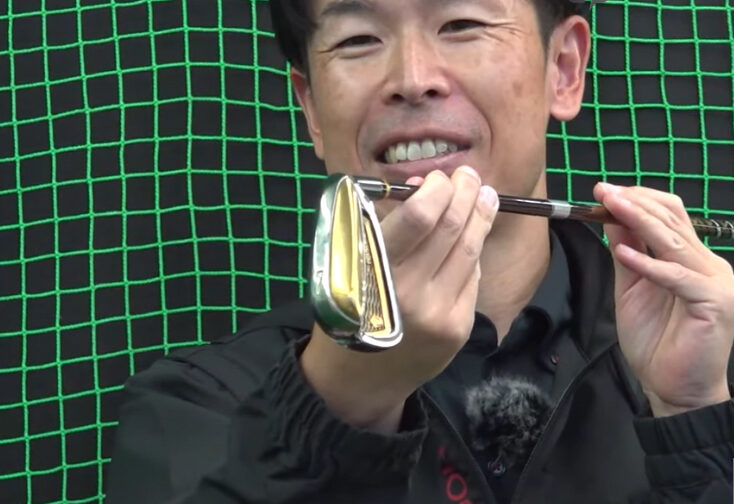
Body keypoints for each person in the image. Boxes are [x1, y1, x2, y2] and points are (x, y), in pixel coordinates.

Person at [105, 1, 734, 503]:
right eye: (358, 39)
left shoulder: (703, 361)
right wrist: (342, 402)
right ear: (312, 108)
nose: (411, 80)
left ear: (563, 69)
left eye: (461, 24)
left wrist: (694, 420)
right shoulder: (196, 406)